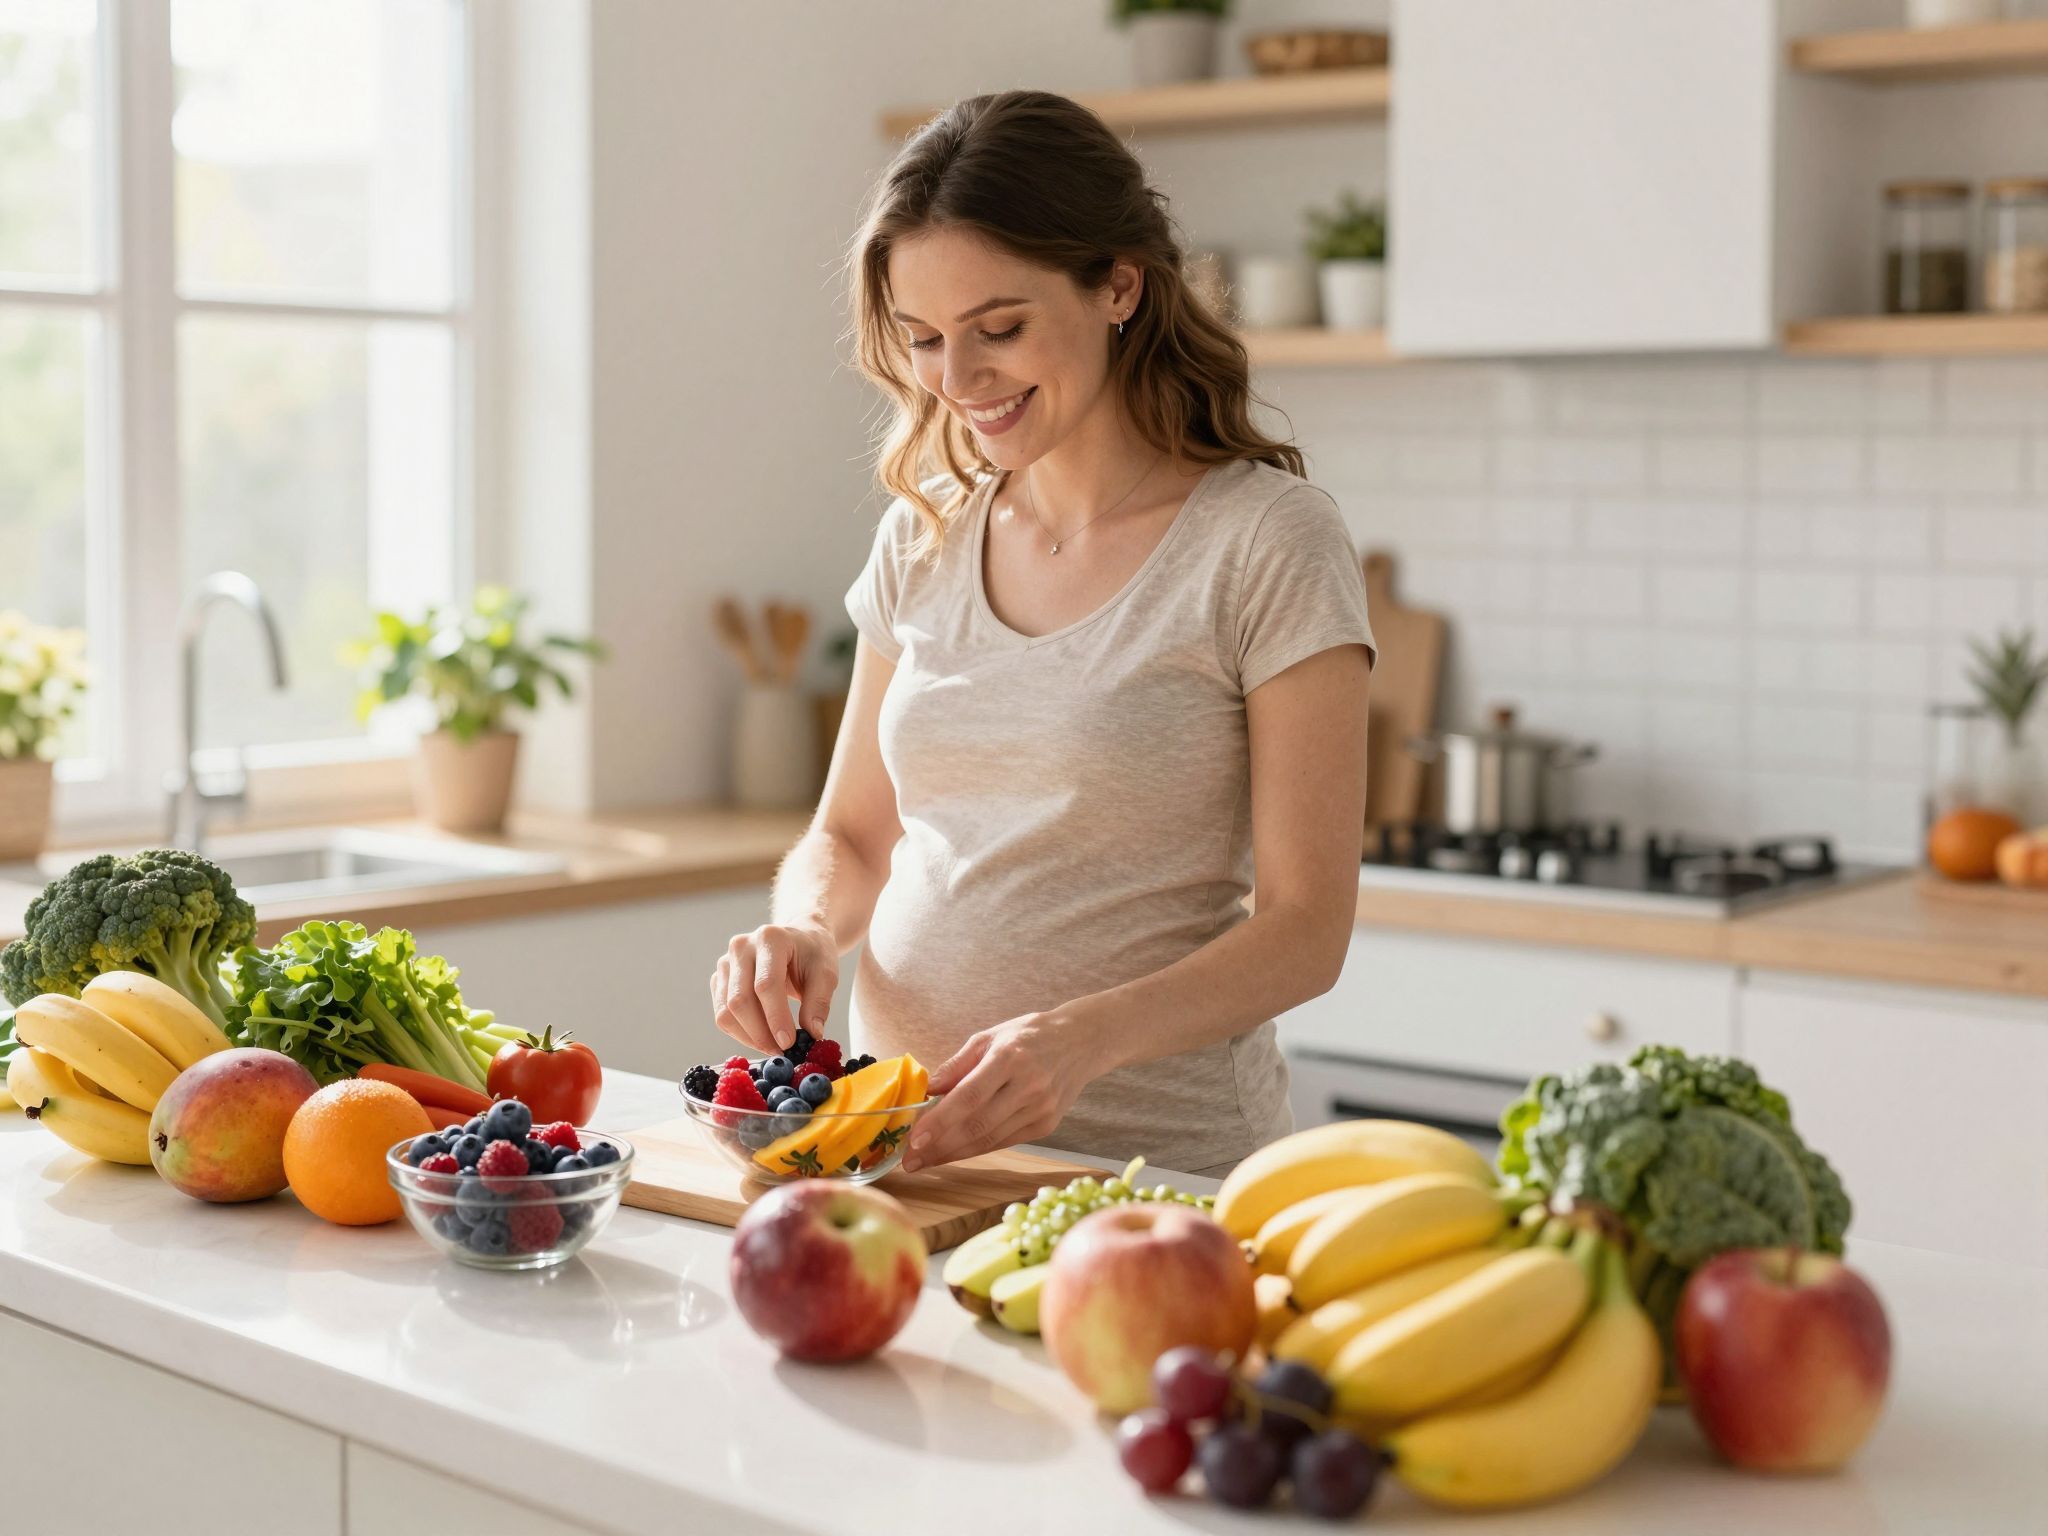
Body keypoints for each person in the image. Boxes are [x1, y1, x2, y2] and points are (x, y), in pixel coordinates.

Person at [708, 90, 1374, 1178]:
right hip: (904, 1155)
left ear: (1118, 284)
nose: (957, 383)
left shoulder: (1264, 541)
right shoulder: (924, 527)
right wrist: (804, 929)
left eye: (999, 329)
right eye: (922, 340)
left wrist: (1079, 1039)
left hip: (1151, 1176)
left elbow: (1305, 929)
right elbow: (852, 837)